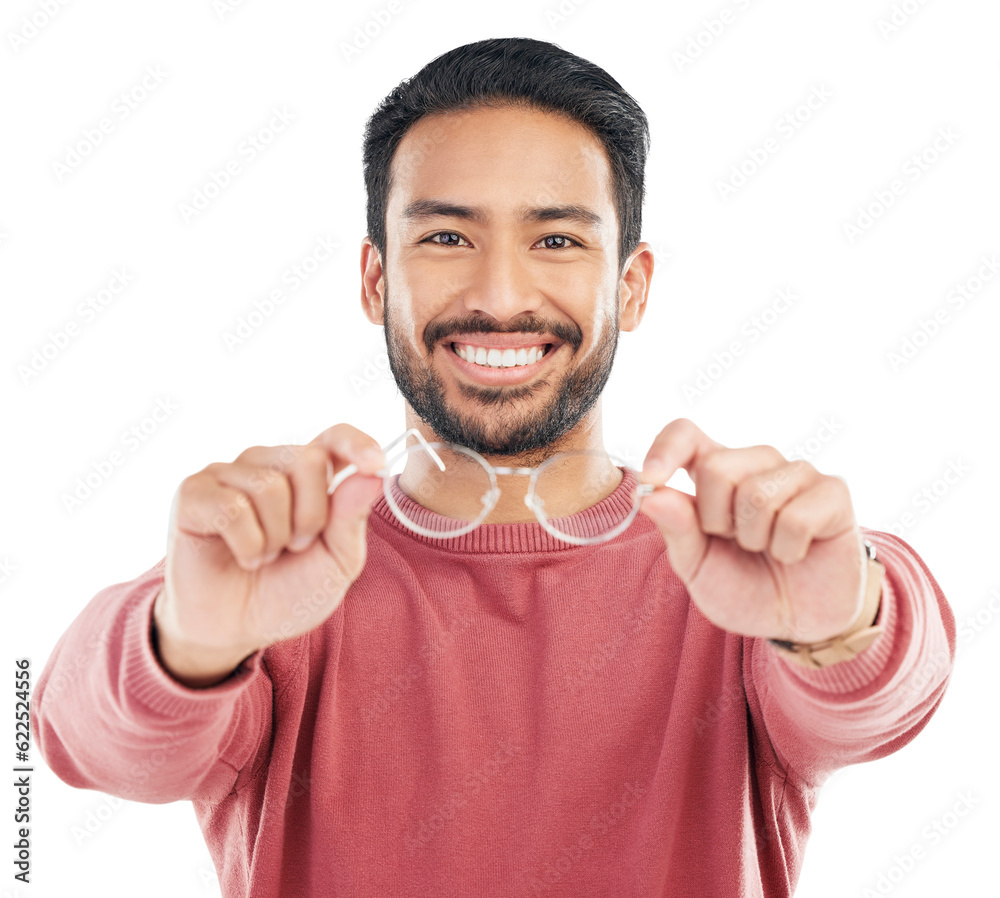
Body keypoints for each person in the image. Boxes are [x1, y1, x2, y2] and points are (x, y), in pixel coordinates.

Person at [33, 37, 955, 897]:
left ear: (628, 288)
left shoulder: (743, 584)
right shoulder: (274, 577)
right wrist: (185, 650)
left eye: (556, 240)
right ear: (374, 280)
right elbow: (78, 741)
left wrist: (845, 623)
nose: (501, 296)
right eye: (445, 237)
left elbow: (887, 694)